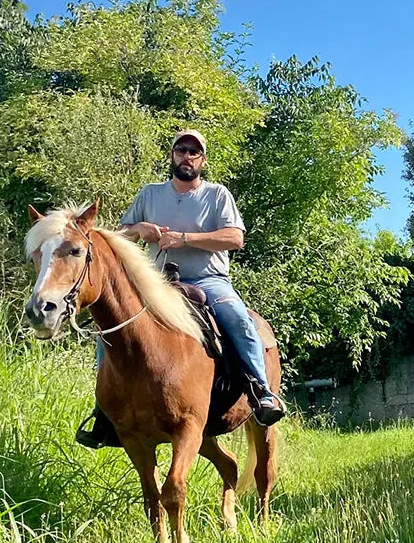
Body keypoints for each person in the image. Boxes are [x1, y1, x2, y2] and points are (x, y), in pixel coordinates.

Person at [75, 129, 286, 449]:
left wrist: (185, 239)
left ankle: (260, 392)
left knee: (238, 319)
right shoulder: (149, 194)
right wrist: (139, 229)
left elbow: (235, 238)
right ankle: (105, 411)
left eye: (193, 151)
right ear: (172, 155)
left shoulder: (217, 195)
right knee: (112, 327)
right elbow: (116, 237)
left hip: (208, 280)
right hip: (156, 283)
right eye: (180, 150)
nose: (186, 156)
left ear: (202, 160)